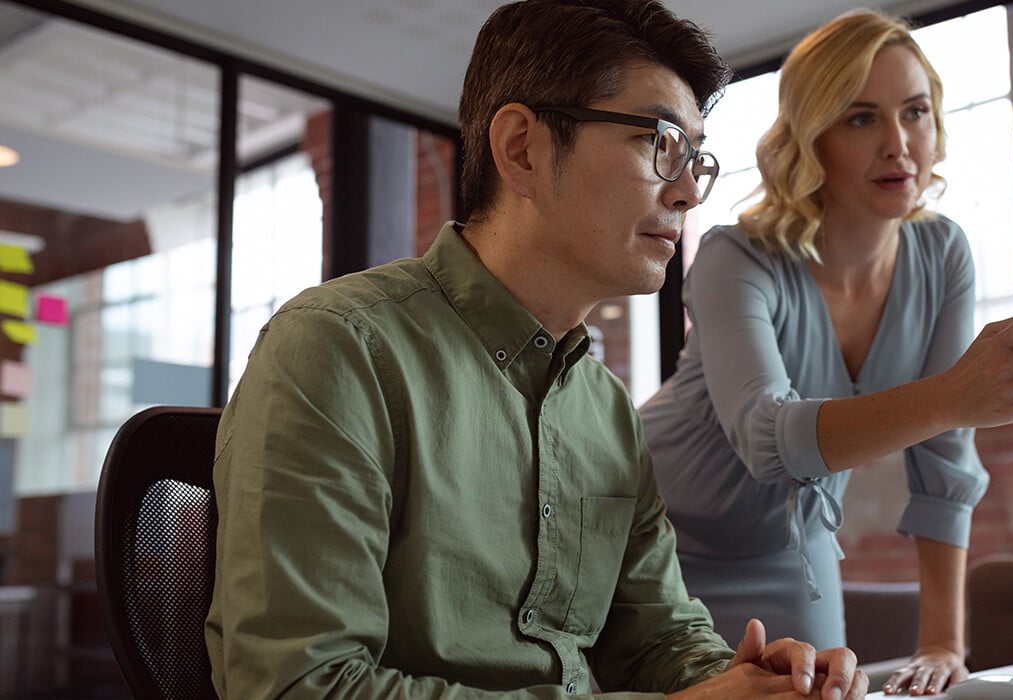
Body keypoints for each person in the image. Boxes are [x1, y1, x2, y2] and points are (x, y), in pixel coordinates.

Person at [204, 1, 872, 698]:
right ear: (522, 148)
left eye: (695, 160)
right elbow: (299, 685)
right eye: (661, 143)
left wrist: (747, 680)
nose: (685, 193)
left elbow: (659, 639)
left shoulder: (606, 408)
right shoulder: (339, 349)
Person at [638, 8, 1013, 697]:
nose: (897, 144)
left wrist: (943, 642)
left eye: (915, 112)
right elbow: (768, 439)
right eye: (860, 118)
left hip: (793, 553)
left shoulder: (942, 256)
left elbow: (945, 463)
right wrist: (954, 395)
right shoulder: (736, 256)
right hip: (654, 537)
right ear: (811, 137)